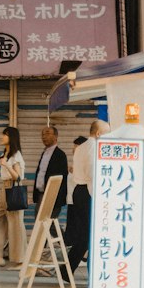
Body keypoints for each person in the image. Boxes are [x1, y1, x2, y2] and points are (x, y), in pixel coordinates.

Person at [65, 119, 110, 278]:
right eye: (107, 133)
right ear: (98, 133)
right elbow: (93, 176)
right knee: (91, 234)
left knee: (85, 234)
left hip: (80, 191)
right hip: (87, 193)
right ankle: (92, 273)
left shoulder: (82, 147)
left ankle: (67, 270)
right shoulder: (93, 149)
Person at [0, 125, 26, 271]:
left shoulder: (16, 155)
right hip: (4, 189)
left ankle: (21, 261)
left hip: (13, 189)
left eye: (4, 135)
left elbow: (18, 176)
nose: (1, 137)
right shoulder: (6, 154)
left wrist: (6, 165)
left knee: (16, 227)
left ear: (11, 138)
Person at [33, 124, 69, 217]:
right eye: (42, 134)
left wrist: (57, 198)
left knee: (48, 222)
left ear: (56, 136)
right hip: (41, 194)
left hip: (52, 196)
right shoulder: (44, 153)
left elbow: (62, 178)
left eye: (47, 133)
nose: (44, 137)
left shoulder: (60, 155)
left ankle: (61, 232)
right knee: (40, 221)